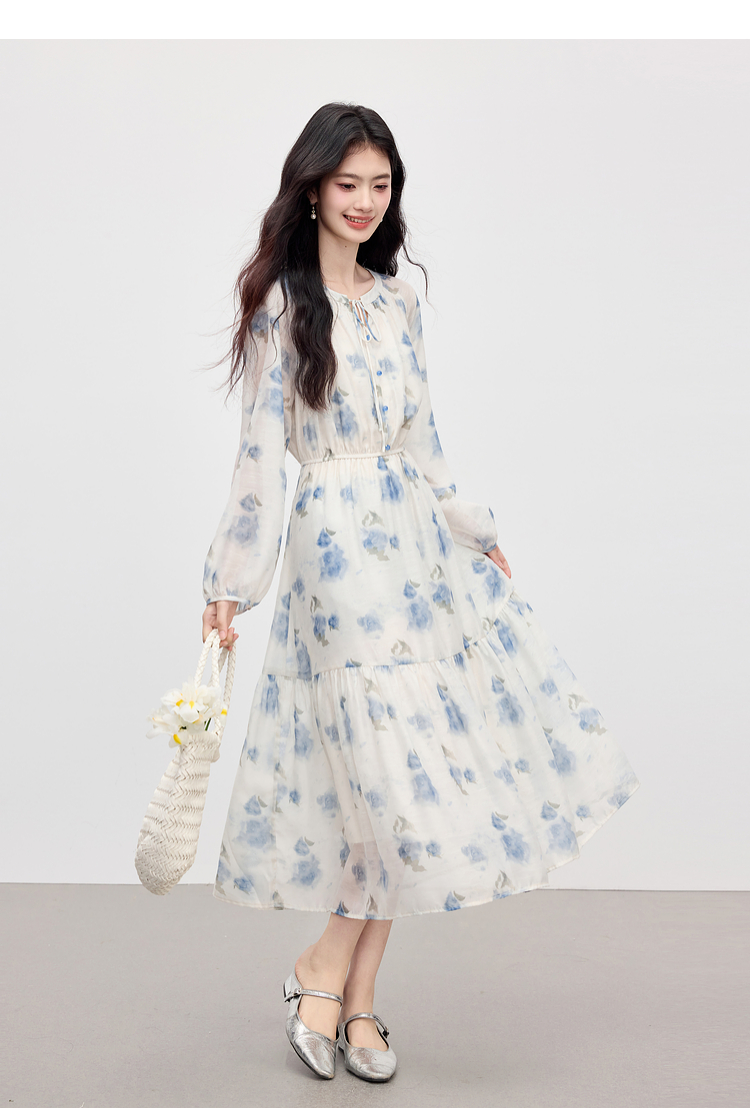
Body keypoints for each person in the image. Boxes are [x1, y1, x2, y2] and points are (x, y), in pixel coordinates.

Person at [200, 102, 640, 1083]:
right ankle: (323, 971)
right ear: (311, 189)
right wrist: (230, 581)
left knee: (406, 776)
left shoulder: (397, 303)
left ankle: (351, 996)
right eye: (347, 183)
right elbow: (260, 454)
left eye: (380, 184)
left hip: (412, 548)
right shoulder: (283, 306)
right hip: (335, 555)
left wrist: (470, 529)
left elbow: (423, 437)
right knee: (383, 774)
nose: (364, 201)